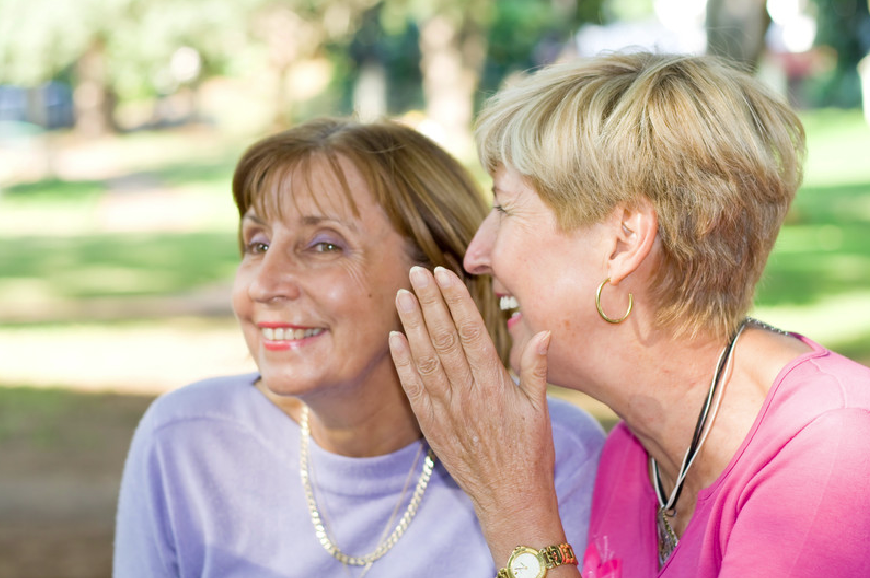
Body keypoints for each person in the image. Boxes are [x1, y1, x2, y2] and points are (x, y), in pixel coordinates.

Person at [388, 51, 870, 578]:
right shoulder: (631, 457)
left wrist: (513, 505)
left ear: (624, 241)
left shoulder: (832, 453)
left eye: (504, 207)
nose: (475, 255)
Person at [113, 117, 604, 577]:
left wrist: (513, 501)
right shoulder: (186, 442)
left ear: (441, 276)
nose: (265, 284)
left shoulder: (556, 451)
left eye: (324, 245)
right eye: (258, 244)